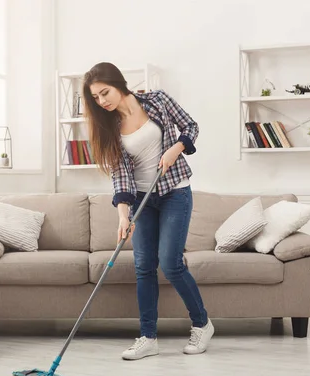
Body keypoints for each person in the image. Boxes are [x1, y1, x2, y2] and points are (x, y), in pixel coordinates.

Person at [82, 62, 214, 360]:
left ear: (119, 83)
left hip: (174, 192)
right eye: (97, 98)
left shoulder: (158, 100)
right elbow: (120, 174)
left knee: (170, 263)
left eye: (105, 92)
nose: (103, 101)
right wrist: (123, 215)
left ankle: (202, 324)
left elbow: (191, 126)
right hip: (142, 200)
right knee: (143, 267)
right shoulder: (110, 128)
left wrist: (176, 148)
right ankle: (148, 337)